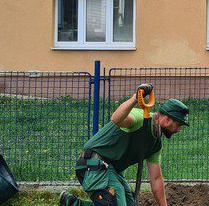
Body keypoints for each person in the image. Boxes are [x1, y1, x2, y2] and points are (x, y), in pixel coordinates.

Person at [60, 84, 189, 206]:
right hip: (93, 163)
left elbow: (156, 178)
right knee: (114, 201)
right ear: (167, 120)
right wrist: (135, 99)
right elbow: (116, 119)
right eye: (178, 125)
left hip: (111, 171)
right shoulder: (139, 118)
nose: (179, 130)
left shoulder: (156, 144)